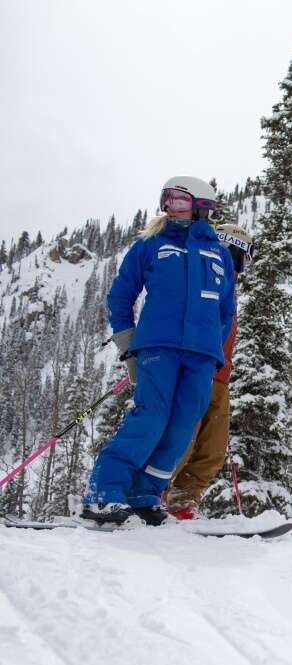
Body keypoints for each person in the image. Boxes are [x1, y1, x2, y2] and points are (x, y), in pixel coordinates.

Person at [81, 176, 235, 526]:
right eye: (166, 200)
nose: (170, 207)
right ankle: (103, 493)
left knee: (183, 426)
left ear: (202, 205)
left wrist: (212, 347)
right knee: (151, 417)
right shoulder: (150, 245)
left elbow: (226, 310)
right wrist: (127, 347)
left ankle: (144, 494)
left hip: (200, 356)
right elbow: (121, 296)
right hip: (158, 347)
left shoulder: (220, 255)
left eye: (179, 200)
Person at [164, 223, 255, 520]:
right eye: (237, 255)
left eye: (241, 259)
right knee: (182, 442)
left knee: (213, 449)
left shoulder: (229, 290)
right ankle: (150, 494)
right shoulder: (203, 280)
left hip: (220, 378)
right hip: (193, 371)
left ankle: (182, 501)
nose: (237, 265)